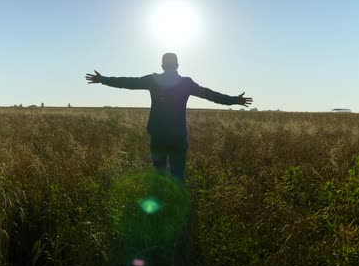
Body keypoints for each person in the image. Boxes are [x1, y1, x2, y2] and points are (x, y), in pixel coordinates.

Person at [85, 53, 252, 182]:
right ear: (177, 65)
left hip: (158, 135)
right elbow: (210, 95)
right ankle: (177, 208)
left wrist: (103, 80)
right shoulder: (186, 83)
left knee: (159, 173)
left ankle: (160, 210)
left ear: (163, 65)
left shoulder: (153, 80)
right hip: (178, 136)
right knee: (178, 175)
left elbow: (129, 82)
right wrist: (234, 100)